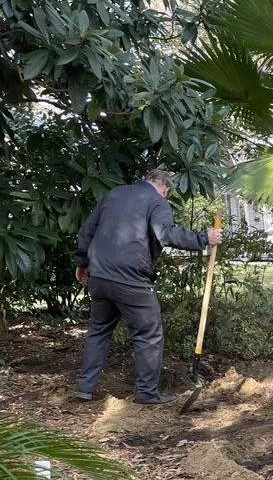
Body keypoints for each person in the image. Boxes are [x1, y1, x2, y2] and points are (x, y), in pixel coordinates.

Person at [72, 169, 223, 405]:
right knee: (149, 334)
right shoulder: (157, 201)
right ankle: (146, 393)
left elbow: (86, 231)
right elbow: (166, 235)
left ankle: (84, 387)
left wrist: (82, 263)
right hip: (130, 278)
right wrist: (204, 238)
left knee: (98, 331)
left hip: (99, 276)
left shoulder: (114, 194)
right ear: (165, 188)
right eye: (167, 194)